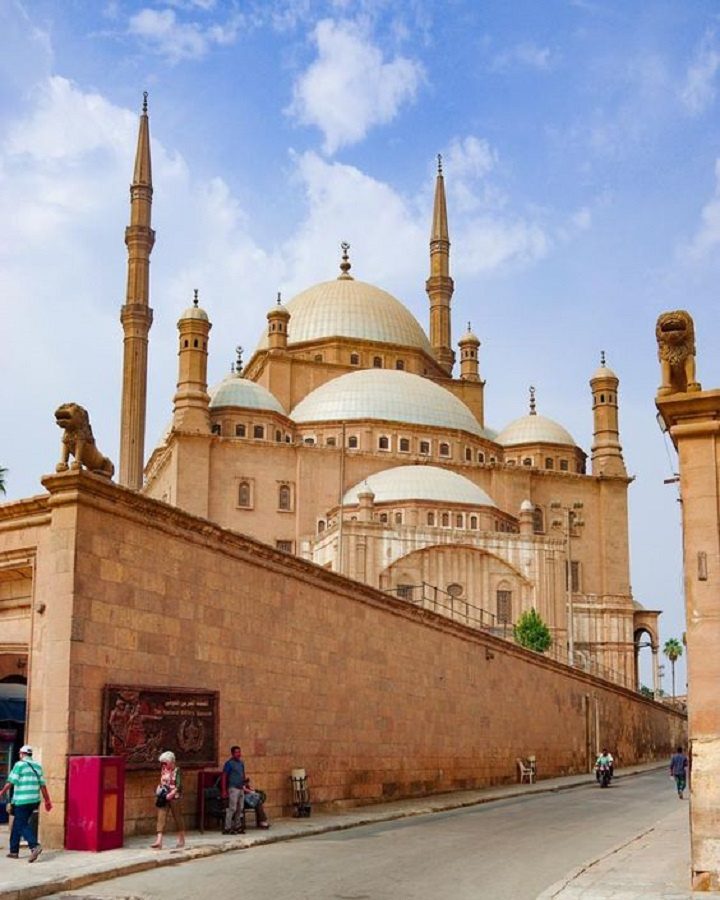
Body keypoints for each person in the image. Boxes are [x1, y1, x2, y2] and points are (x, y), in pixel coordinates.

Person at [0, 744, 52, 862]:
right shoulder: (38, 766)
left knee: (21, 823)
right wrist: (47, 800)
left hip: (22, 800)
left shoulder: (19, 764)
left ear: (22, 754)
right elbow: (43, 786)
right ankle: (14, 851)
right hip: (34, 801)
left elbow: (11, 781)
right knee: (17, 824)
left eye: (20, 753)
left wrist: (2, 791)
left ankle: (34, 846)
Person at [151, 750, 185, 849]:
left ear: (171, 762)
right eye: (163, 763)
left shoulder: (177, 771)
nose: (164, 765)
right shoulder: (164, 769)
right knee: (161, 816)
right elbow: (162, 782)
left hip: (175, 797)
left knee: (178, 817)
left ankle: (181, 839)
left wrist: (172, 793)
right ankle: (159, 840)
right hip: (164, 796)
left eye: (165, 763)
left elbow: (179, 785)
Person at [220, 745, 246, 834]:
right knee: (232, 808)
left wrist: (244, 783)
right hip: (233, 788)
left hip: (240, 787)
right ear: (232, 753)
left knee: (240, 808)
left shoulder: (241, 763)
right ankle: (227, 827)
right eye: (236, 752)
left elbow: (243, 774)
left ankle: (237, 826)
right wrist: (224, 790)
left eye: (239, 752)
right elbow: (224, 776)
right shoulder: (229, 763)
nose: (238, 754)